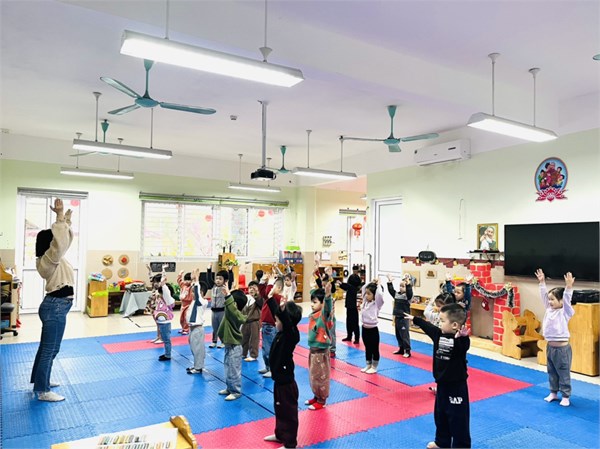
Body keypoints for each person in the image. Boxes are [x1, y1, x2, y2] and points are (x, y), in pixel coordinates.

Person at [405, 303, 471, 449]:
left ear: (454, 325)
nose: (439, 323)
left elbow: (464, 347)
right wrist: (415, 319)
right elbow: (428, 327)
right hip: (442, 385)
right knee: (441, 415)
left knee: (458, 419)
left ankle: (462, 446)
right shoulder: (438, 335)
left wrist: (463, 337)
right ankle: (442, 442)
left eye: (442, 321)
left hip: (456, 387)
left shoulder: (459, 341)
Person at [30, 199, 74, 402]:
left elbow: (63, 242)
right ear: (49, 243)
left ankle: (39, 380)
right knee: (50, 349)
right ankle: (42, 390)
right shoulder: (49, 259)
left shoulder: (52, 257)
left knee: (47, 348)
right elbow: (60, 243)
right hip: (55, 307)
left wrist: (66, 222)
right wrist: (59, 217)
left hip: (56, 306)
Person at [263, 298, 303, 449]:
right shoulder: (281, 333)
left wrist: (284, 311)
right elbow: (279, 314)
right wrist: (271, 298)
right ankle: (280, 434)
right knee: (279, 409)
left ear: (286, 322)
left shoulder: (291, 335)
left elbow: (286, 322)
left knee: (288, 414)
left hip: (287, 384)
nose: (275, 323)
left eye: (278, 320)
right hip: (279, 381)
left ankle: (290, 443)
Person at [535, 269, 575, 407]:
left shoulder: (565, 312)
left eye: (553, 299)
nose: (550, 302)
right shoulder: (549, 309)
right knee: (551, 372)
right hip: (550, 348)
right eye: (549, 299)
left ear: (561, 301)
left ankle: (565, 396)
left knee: (563, 373)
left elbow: (567, 299)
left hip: (562, 350)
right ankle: (553, 392)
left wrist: (568, 287)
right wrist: (542, 282)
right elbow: (543, 296)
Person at [305, 282, 334, 410]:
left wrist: (327, 295)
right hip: (313, 351)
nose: (312, 304)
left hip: (321, 352)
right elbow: (313, 291)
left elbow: (327, 308)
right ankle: (316, 396)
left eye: (315, 302)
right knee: (313, 376)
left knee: (321, 377)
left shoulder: (323, 315)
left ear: (322, 304)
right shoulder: (313, 315)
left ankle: (322, 400)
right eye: (311, 302)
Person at [217, 286, 248, 401]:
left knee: (234, 370)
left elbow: (232, 309)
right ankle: (230, 388)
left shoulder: (236, 315)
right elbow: (229, 308)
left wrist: (228, 296)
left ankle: (236, 391)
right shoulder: (230, 314)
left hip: (235, 347)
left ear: (234, 305)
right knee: (228, 368)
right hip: (229, 345)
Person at [258, 272, 282, 378]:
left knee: (270, 349)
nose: (270, 288)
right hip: (265, 325)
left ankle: (273, 369)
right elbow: (263, 292)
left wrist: (270, 283)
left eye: (273, 286)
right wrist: (263, 281)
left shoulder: (278, 297)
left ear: (279, 288)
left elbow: (268, 293)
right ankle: (268, 367)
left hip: (271, 327)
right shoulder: (270, 296)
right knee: (265, 349)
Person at [186, 269, 209, 374]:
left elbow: (197, 293)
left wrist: (196, 281)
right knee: (194, 348)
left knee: (198, 349)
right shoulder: (194, 302)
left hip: (197, 329)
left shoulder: (202, 302)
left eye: (194, 292)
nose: (192, 293)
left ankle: (198, 367)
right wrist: (193, 281)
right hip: (191, 328)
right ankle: (196, 365)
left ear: (201, 293)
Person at [360, 281, 385, 374]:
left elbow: (379, 295)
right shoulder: (365, 302)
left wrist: (378, 285)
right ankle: (368, 364)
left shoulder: (377, 304)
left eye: (369, 294)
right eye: (366, 294)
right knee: (367, 348)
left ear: (374, 295)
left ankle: (374, 367)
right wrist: (371, 282)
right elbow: (363, 288)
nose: (366, 295)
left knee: (374, 349)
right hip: (364, 328)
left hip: (373, 330)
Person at [206, 264, 234, 348]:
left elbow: (230, 280)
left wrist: (230, 271)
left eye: (220, 279)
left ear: (225, 281)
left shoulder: (225, 287)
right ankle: (214, 341)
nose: (218, 280)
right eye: (217, 278)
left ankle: (223, 341)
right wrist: (209, 270)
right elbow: (209, 279)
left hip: (222, 311)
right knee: (215, 327)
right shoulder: (213, 286)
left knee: (222, 327)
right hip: (213, 311)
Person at [152, 265, 175, 361]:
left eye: (161, 293)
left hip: (165, 323)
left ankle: (168, 355)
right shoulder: (160, 299)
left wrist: (163, 272)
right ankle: (166, 353)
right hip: (161, 323)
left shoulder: (168, 300)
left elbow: (165, 290)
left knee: (166, 340)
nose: (160, 294)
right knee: (165, 339)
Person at [387, 273, 414, 357]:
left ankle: (407, 350)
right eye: (400, 286)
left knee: (404, 335)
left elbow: (410, 292)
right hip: (397, 317)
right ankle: (401, 348)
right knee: (398, 334)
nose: (401, 287)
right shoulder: (397, 294)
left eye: (403, 286)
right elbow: (391, 291)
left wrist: (408, 284)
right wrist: (390, 282)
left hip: (404, 318)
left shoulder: (408, 296)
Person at [340, 265, 362, 344]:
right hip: (349, 304)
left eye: (356, 270)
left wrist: (341, 284)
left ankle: (356, 338)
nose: (355, 272)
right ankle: (349, 336)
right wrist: (341, 284)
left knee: (355, 322)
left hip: (353, 305)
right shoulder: (351, 277)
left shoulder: (357, 279)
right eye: (354, 270)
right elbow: (347, 286)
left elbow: (350, 286)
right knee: (348, 321)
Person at [241, 280, 263, 362]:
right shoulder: (246, 298)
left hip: (254, 322)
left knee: (254, 339)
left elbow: (261, 304)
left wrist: (256, 295)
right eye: (250, 288)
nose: (251, 290)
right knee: (244, 337)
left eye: (254, 288)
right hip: (245, 321)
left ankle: (253, 355)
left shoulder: (259, 299)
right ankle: (243, 353)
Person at [177, 271, 194, 335]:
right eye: (185, 280)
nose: (187, 281)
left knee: (186, 317)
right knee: (181, 318)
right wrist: (180, 274)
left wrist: (193, 278)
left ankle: (186, 329)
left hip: (189, 305)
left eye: (189, 280)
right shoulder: (183, 286)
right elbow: (179, 281)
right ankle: (183, 328)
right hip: (183, 304)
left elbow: (194, 283)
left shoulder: (191, 287)